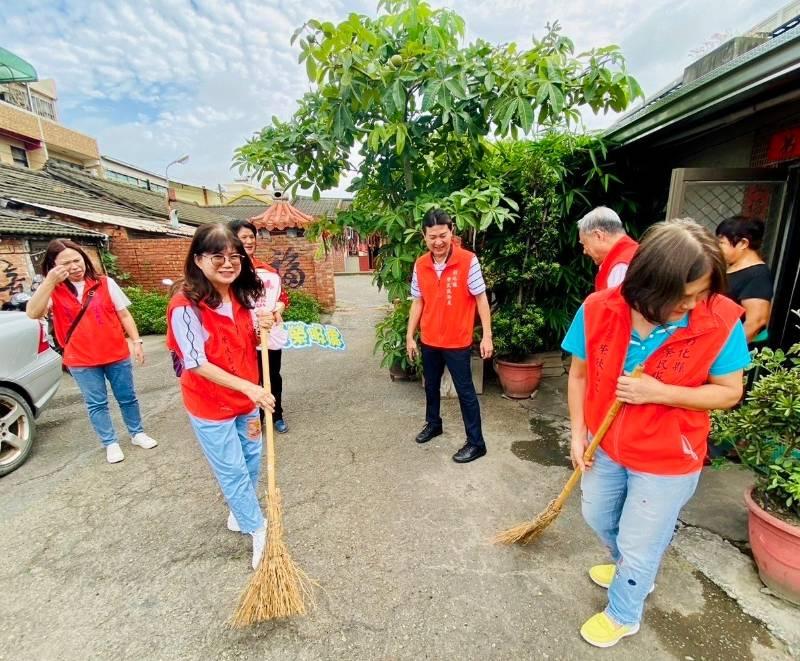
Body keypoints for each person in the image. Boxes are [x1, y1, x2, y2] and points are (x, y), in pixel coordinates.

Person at [561, 218, 750, 648]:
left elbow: (729, 392)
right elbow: (577, 376)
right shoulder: (597, 309)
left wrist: (658, 391)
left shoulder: (719, 319)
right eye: (682, 298)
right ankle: (633, 566)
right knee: (597, 516)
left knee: (639, 540)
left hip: (669, 457)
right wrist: (578, 434)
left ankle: (624, 611)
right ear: (647, 285)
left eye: (702, 293)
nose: (695, 305)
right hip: (605, 443)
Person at [166, 224, 275, 570]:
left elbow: (248, 344)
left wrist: (264, 326)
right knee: (232, 470)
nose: (228, 263)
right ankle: (258, 530)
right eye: (218, 256)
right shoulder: (185, 306)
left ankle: (239, 512)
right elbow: (195, 362)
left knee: (251, 460)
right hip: (210, 405)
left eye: (234, 256)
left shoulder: (241, 296)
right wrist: (249, 388)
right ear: (198, 260)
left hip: (246, 401)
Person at [26, 239, 159, 464]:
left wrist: (137, 342)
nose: (74, 266)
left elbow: (124, 314)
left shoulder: (104, 283)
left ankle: (137, 433)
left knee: (127, 397)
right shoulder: (53, 291)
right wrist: (48, 282)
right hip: (81, 359)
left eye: (77, 260)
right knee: (96, 403)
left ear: (84, 258)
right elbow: (33, 313)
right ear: (53, 266)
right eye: (66, 263)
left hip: (115, 353)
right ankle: (110, 442)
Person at [406, 208, 493, 464]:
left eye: (443, 235)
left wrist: (487, 335)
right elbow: (417, 302)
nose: (438, 242)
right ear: (424, 236)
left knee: (465, 392)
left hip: (457, 341)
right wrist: (410, 336)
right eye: (432, 237)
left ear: (451, 231)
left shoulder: (468, 260)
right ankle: (434, 425)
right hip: (430, 339)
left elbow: (481, 298)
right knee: (431, 386)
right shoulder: (421, 264)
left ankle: (477, 443)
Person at [228, 219, 290, 433]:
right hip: (241, 335)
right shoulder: (228, 273)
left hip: (268, 331)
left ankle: (276, 414)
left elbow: (282, 298)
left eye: (251, 237)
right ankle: (252, 416)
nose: (248, 241)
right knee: (247, 377)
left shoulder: (267, 271)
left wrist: (277, 310)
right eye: (243, 237)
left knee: (272, 375)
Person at [715, 216, 774, 344]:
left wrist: (725, 353)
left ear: (743, 243)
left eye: (721, 243)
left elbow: (756, 322)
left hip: (735, 352)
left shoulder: (758, 274)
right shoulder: (731, 267)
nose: (717, 248)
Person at [577, 206, 639, 291]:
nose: (584, 251)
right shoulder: (635, 253)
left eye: (585, 243)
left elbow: (617, 303)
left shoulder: (621, 266)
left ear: (598, 236)